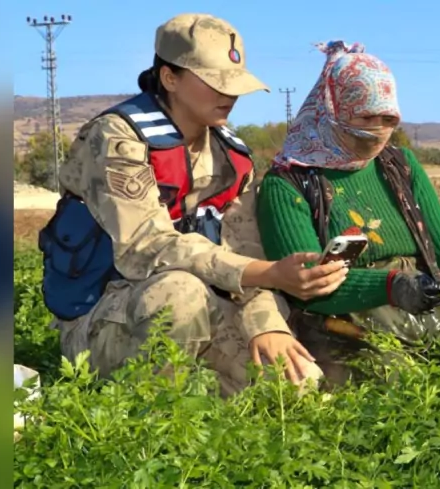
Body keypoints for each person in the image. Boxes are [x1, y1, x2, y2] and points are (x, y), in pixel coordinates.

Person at [40, 13, 347, 396]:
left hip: (202, 307)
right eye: (215, 83)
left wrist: (266, 324)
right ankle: (151, 418)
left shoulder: (231, 156)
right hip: (105, 319)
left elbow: (246, 253)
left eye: (234, 84)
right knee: (180, 293)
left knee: (297, 382)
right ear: (170, 78)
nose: (229, 95)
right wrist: (267, 273)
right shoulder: (117, 139)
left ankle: (204, 398)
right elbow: (145, 245)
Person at [256, 41, 440, 388]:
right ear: (332, 110)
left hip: (423, 308)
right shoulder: (289, 183)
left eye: (388, 119)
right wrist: (391, 286)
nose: (377, 130)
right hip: (343, 322)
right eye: (365, 118)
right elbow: (308, 282)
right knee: (398, 383)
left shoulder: (400, 166)